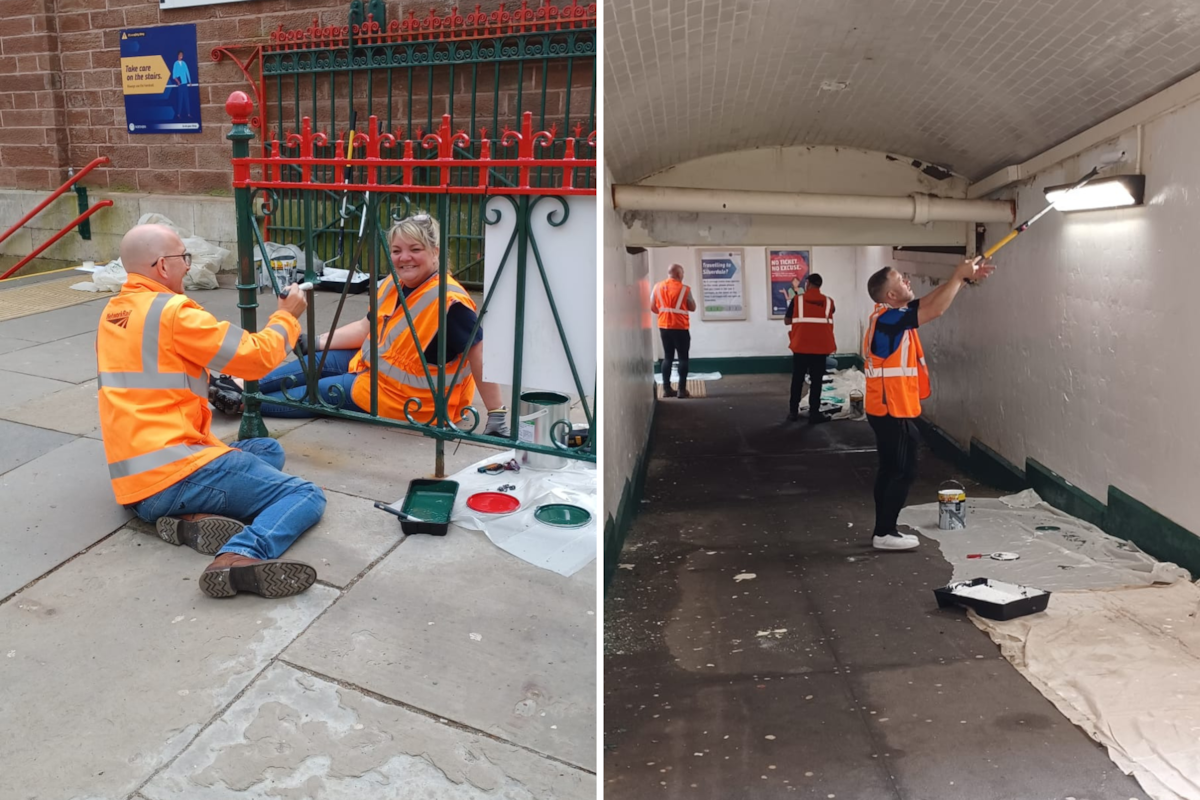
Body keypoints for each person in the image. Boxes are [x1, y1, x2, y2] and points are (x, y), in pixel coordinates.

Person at [96, 223, 326, 597]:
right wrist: (288, 315)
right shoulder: (172, 312)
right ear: (161, 266)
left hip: (135, 483)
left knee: (268, 449)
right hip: (175, 470)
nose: (188, 265)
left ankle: (189, 519)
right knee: (305, 496)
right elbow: (254, 359)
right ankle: (238, 557)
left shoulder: (115, 311)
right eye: (183, 257)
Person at [253, 214, 509, 435]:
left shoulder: (450, 303)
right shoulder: (394, 283)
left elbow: (479, 353)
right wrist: (319, 341)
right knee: (315, 360)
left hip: (409, 399)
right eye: (397, 251)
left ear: (435, 252)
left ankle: (246, 402)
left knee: (314, 393)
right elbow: (367, 328)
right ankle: (242, 385)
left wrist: (496, 412)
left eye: (415, 249)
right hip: (373, 368)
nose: (404, 258)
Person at [863, 257, 994, 551]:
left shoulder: (890, 314)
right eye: (900, 280)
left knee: (893, 467)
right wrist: (959, 277)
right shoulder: (888, 320)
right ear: (891, 295)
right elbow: (936, 309)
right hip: (889, 409)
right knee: (901, 470)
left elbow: (927, 301)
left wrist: (959, 278)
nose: (907, 281)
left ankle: (883, 530)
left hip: (888, 408)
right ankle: (884, 533)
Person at [784, 272, 835, 424]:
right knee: (817, 381)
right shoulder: (829, 302)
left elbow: (787, 321)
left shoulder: (797, 300)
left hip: (801, 347)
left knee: (798, 380)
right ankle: (814, 413)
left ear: (807, 283)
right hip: (820, 348)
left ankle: (793, 412)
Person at [650, 263, 696, 398]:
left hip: (664, 327)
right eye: (683, 273)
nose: (683, 276)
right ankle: (682, 390)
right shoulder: (684, 289)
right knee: (683, 358)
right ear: (678, 274)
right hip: (680, 327)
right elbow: (692, 307)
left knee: (667, 357)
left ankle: (666, 389)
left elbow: (653, 307)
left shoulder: (657, 287)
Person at [171, 51, 191, 120]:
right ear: (178, 55)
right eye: (180, 55)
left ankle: (188, 113)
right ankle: (178, 114)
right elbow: (174, 76)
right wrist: (178, 82)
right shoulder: (175, 64)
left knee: (186, 99)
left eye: (182, 55)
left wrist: (190, 81)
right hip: (180, 85)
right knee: (180, 99)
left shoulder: (184, 63)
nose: (181, 56)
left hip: (185, 83)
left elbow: (187, 72)